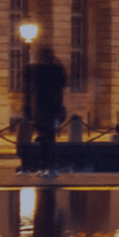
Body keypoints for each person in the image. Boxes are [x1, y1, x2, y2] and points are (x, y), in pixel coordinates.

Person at [28, 44, 67, 174]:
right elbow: (61, 88)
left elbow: (29, 92)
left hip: (39, 108)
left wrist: (27, 111)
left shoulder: (35, 69)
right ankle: (47, 164)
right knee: (49, 137)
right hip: (52, 107)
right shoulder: (56, 69)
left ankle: (44, 164)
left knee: (44, 136)